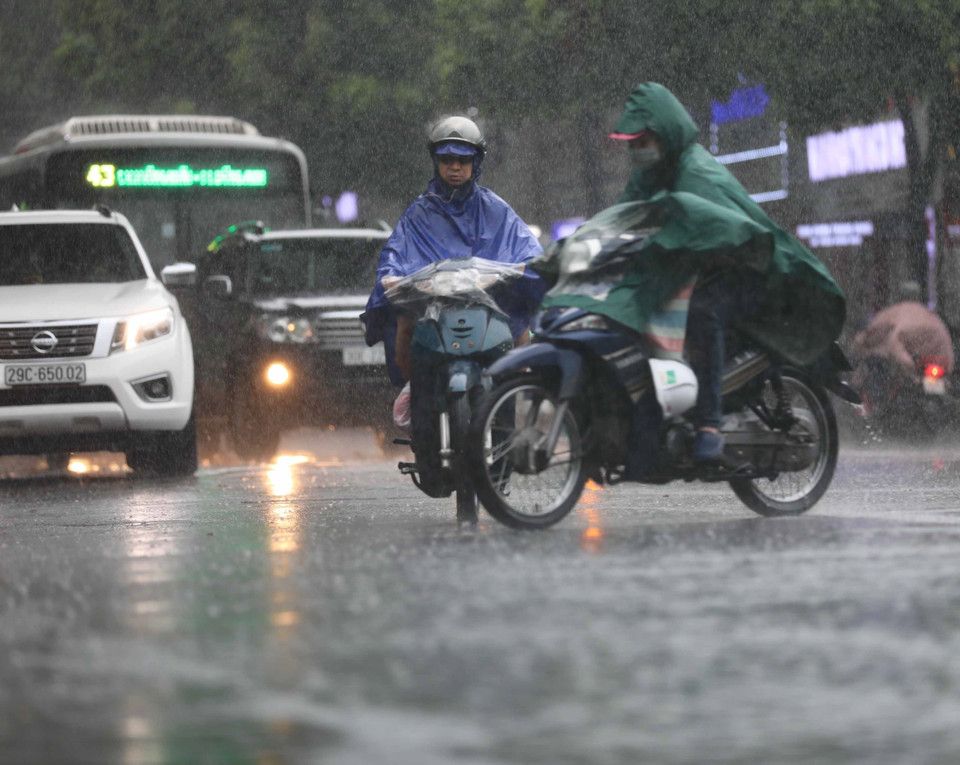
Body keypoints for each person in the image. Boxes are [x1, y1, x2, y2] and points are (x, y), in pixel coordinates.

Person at [608, 82, 845, 466]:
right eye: (631, 143)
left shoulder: (696, 173)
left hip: (752, 272)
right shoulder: (651, 174)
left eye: (644, 140)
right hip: (703, 273)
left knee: (701, 313)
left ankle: (708, 426)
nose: (638, 149)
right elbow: (620, 218)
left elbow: (724, 233)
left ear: (665, 134)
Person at [362, 115, 544, 420]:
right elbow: (396, 252)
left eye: (463, 160)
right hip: (432, 302)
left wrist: (527, 268)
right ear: (436, 161)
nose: (455, 167)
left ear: (476, 162)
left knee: (521, 327)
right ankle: (413, 386)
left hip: (488, 300)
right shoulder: (419, 212)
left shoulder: (496, 208)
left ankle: (511, 391)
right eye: (447, 159)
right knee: (405, 323)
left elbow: (527, 249)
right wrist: (391, 277)